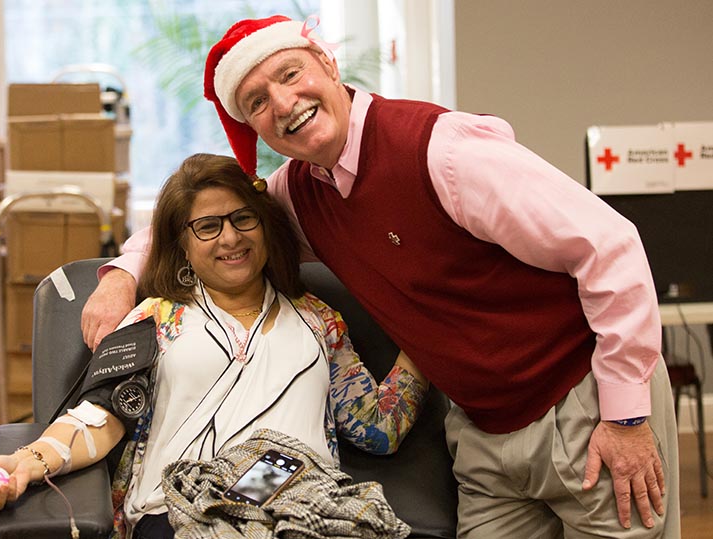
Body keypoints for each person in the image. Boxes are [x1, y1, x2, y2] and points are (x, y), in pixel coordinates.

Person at [81, 14, 680, 539]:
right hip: (480, 433)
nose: (283, 104)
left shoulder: (443, 152)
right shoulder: (300, 194)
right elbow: (193, 219)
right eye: (257, 101)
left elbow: (610, 246)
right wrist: (118, 278)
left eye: (290, 75)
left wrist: (625, 416)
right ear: (255, 131)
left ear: (326, 62)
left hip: (582, 403)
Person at [0, 153, 428, 539]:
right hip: (178, 508)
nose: (230, 238)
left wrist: (433, 333)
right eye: (207, 227)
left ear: (264, 225)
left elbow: (376, 426)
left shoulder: (319, 319)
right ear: (183, 245)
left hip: (298, 506)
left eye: (242, 218)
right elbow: (101, 415)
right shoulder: (157, 317)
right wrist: (28, 461)